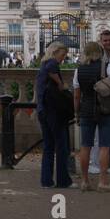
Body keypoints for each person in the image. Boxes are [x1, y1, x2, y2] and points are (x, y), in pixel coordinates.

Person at [73, 41, 110, 191]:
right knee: (104, 146)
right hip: (105, 110)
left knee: (85, 146)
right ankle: (103, 182)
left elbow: (77, 95)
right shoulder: (106, 67)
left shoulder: (78, 70)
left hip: (86, 110)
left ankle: (85, 181)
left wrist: (77, 112)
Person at [34, 42, 73, 188]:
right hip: (54, 112)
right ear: (55, 52)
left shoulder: (43, 65)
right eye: (62, 55)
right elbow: (58, 83)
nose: (63, 58)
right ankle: (63, 180)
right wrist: (62, 85)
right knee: (61, 146)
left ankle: (46, 180)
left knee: (48, 147)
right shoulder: (51, 64)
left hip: (43, 110)